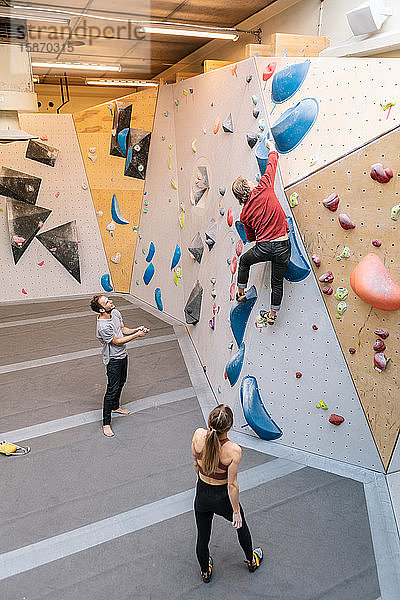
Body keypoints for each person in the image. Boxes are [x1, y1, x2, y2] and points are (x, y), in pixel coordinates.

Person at [191, 404, 263, 583]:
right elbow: (232, 485)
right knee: (241, 526)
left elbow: (196, 465)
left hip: (202, 493)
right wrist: (236, 511)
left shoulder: (198, 435)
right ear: (229, 427)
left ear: (209, 421)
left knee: (203, 536)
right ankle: (251, 561)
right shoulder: (233, 450)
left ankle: (205, 572)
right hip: (222, 497)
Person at [232, 138, 291, 325]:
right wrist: (271, 147)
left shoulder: (244, 214)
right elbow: (272, 163)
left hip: (264, 247)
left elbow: (250, 237)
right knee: (277, 282)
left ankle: (240, 293)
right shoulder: (264, 186)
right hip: (283, 245)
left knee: (244, 260)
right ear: (248, 187)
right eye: (249, 181)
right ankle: (272, 315)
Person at [90, 294, 149, 437]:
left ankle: (115, 407)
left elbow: (122, 329)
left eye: (109, 300)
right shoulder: (103, 326)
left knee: (122, 382)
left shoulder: (115, 312)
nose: (111, 302)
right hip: (113, 360)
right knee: (111, 389)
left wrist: (136, 329)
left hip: (123, 355)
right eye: (107, 302)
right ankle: (106, 423)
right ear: (101, 310)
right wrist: (137, 336)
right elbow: (117, 341)